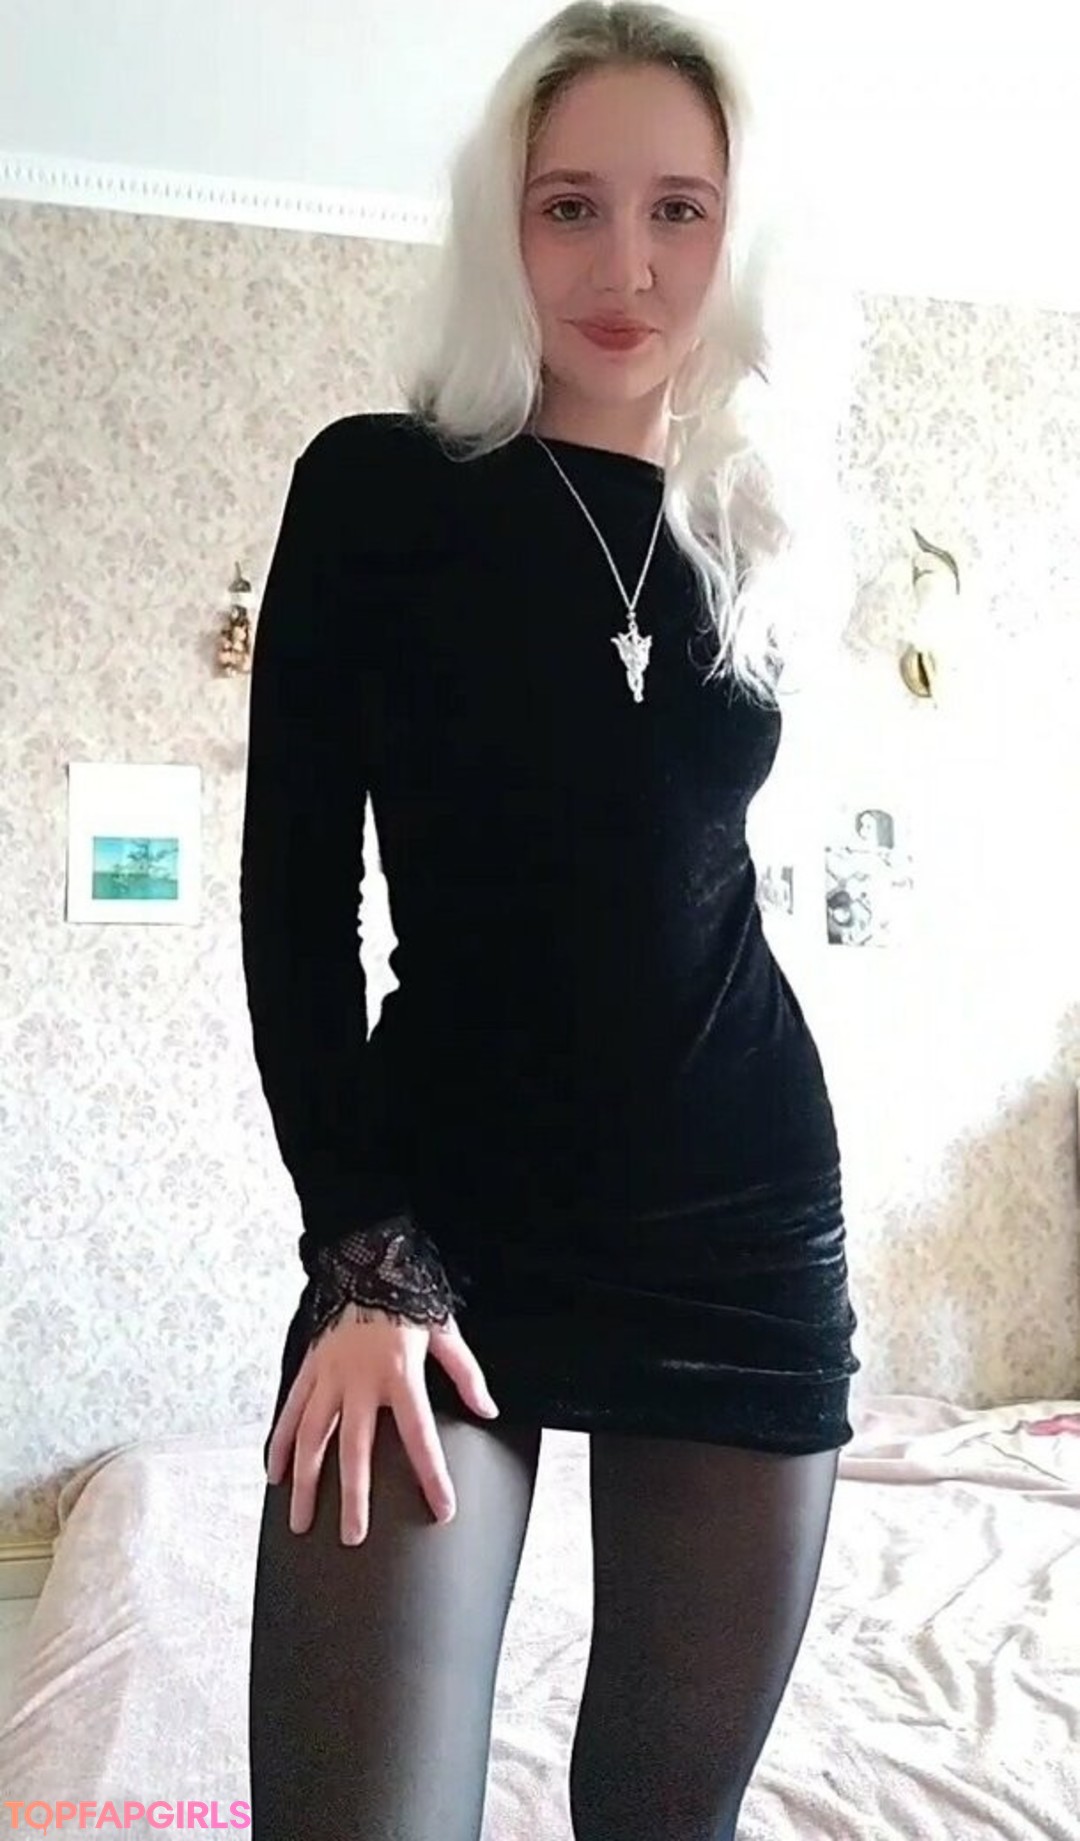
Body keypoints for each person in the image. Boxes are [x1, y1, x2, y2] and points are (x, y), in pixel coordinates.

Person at [241, 4, 860, 1838]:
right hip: (439, 1226)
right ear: (500, 222)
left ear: (738, 234)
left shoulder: (756, 526)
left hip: (740, 1231)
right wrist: (364, 1254)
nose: (624, 265)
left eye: (680, 210)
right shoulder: (378, 489)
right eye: (570, 205)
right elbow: (295, 903)